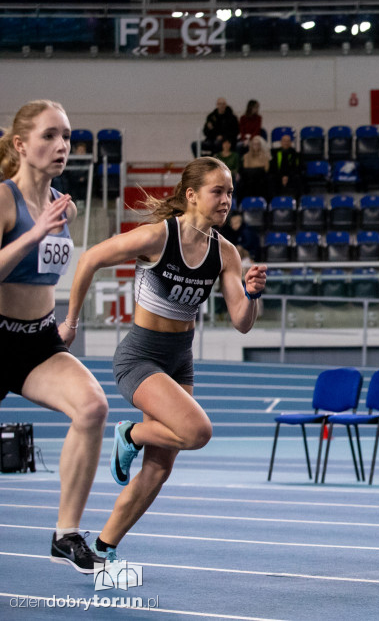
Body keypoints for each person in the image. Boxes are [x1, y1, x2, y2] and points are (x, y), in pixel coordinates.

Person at [62, 157, 268, 564]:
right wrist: (70, 323)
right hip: (140, 356)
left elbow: (242, 323)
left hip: (180, 360)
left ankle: (104, 547)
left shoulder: (225, 253)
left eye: (230, 192)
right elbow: (88, 260)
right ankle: (131, 435)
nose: (227, 200)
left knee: (159, 469)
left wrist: (253, 294)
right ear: (191, 196)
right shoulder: (157, 237)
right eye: (218, 191)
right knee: (197, 432)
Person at [0, 99, 108, 574]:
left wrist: (67, 320)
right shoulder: (4, 199)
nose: (62, 145)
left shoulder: (66, 203)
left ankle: (66, 533)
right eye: (49, 135)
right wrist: (33, 232)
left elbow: (45, 273)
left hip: (37, 342)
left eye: (67, 135)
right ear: (22, 145)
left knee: (93, 407)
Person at [240, 135, 270, 201]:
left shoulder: (265, 156)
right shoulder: (246, 156)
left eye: (258, 144)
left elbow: (266, 169)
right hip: (249, 178)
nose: (256, 146)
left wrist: (254, 167)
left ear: (260, 145)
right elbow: (246, 167)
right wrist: (259, 166)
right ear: (251, 145)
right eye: (254, 144)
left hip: (261, 178)